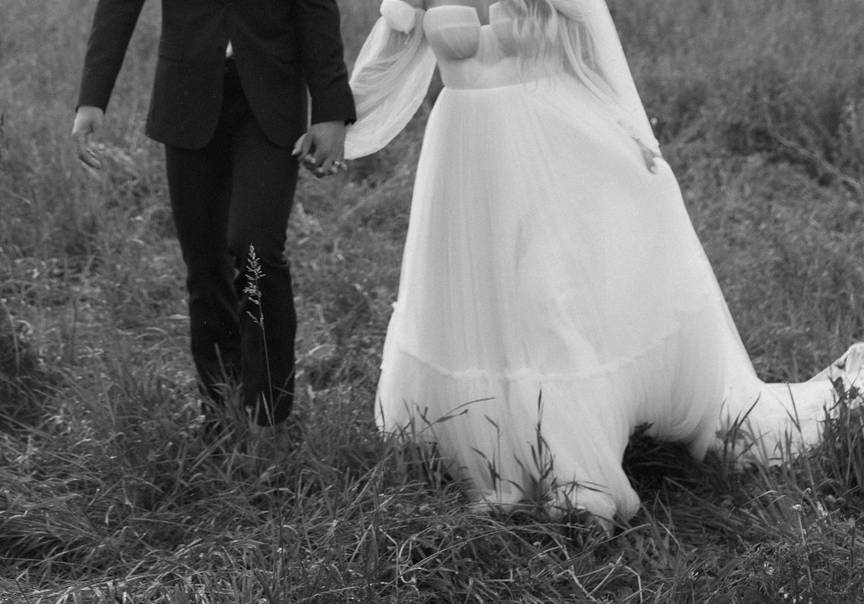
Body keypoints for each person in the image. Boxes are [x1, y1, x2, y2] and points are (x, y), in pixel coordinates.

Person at [344, 0, 864, 523]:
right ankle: (491, 436)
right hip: (465, 151)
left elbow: (598, 57)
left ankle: (574, 470)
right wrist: (326, 126)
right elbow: (384, 65)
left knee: (548, 297)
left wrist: (638, 141)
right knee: (478, 295)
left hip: (551, 146)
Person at [71, 0, 356, 431]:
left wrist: (331, 109)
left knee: (256, 247)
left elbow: (316, 9)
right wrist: (92, 99)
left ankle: (269, 414)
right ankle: (221, 409)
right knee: (204, 263)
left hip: (271, 100)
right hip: (187, 96)